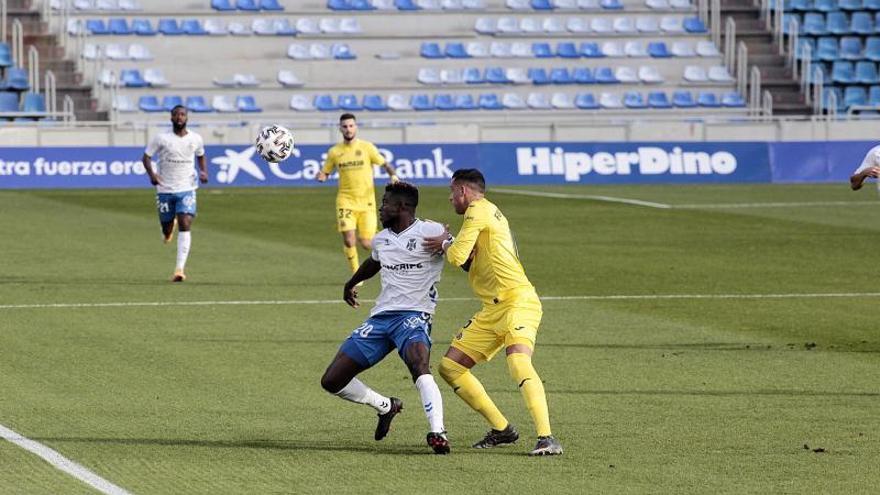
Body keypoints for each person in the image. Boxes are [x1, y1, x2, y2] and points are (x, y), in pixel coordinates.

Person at [423, 169, 563, 456]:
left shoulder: (477, 210)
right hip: (493, 309)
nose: (450, 198)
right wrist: (452, 246)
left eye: (452, 192)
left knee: (519, 364)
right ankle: (502, 429)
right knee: (450, 368)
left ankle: (547, 437)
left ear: (463, 191)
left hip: (518, 303)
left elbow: (457, 256)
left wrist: (446, 243)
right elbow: (469, 261)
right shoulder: (487, 214)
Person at [320, 181, 450, 454]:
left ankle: (438, 432)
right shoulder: (382, 238)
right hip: (381, 319)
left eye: (386, 203)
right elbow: (374, 262)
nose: (380, 208)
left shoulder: (431, 231)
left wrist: (449, 243)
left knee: (419, 364)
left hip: (414, 315)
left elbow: (465, 255)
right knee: (332, 381)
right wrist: (351, 282)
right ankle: (386, 406)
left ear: (402, 207)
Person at [317, 113, 399, 277]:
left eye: (351, 126)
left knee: (367, 244)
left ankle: (394, 253)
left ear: (356, 127)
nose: (348, 129)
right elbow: (325, 171)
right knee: (349, 239)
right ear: (340, 129)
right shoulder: (334, 152)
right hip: (345, 201)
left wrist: (393, 176)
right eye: (345, 126)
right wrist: (322, 176)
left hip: (366, 202)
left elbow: (385, 164)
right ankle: (356, 273)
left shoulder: (367, 147)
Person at [142, 105, 207, 282]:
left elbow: (201, 155)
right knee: (167, 226)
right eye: (176, 114)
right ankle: (167, 230)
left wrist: (203, 172)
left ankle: (179, 269)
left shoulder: (196, 138)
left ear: (187, 118)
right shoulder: (161, 138)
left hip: (187, 187)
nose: (180, 117)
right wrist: (152, 175)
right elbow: (146, 157)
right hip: (165, 188)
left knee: (185, 222)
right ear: (171, 118)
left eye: (183, 114)